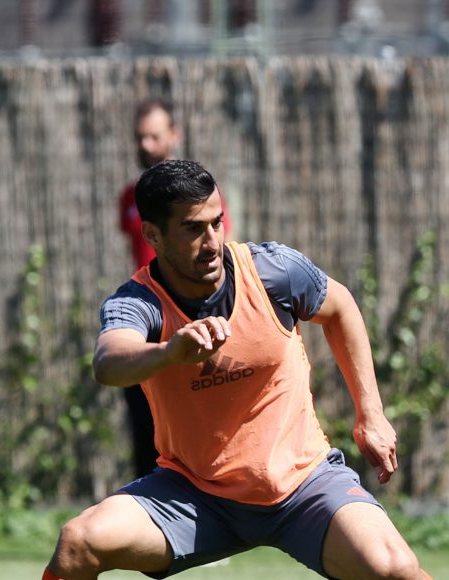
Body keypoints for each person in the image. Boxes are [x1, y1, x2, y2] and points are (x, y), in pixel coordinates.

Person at [44, 160, 427, 579]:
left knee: (398, 569)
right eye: (193, 229)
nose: (212, 242)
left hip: (303, 486)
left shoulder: (273, 272)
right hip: (194, 497)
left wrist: (371, 413)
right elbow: (108, 363)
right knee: (78, 542)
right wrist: (170, 352)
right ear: (152, 235)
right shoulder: (140, 302)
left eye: (217, 222)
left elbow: (341, 308)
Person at [118, 99, 233, 478]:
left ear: (173, 136)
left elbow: (220, 253)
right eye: (140, 137)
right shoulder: (130, 198)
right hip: (149, 315)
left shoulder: (199, 198)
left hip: (188, 312)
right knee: (144, 420)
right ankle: (147, 495)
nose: (146, 145)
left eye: (154, 136)